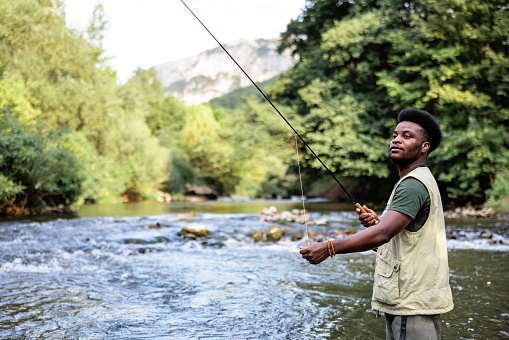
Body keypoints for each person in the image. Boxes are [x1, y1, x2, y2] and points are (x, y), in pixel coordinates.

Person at [300, 108, 454, 339]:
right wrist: (379, 224)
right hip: (414, 301)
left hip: (411, 305)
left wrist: (328, 248)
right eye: (395, 135)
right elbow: (400, 237)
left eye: (407, 136)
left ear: (425, 147)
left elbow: (383, 235)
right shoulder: (418, 179)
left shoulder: (412, 185)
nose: (397, 140)